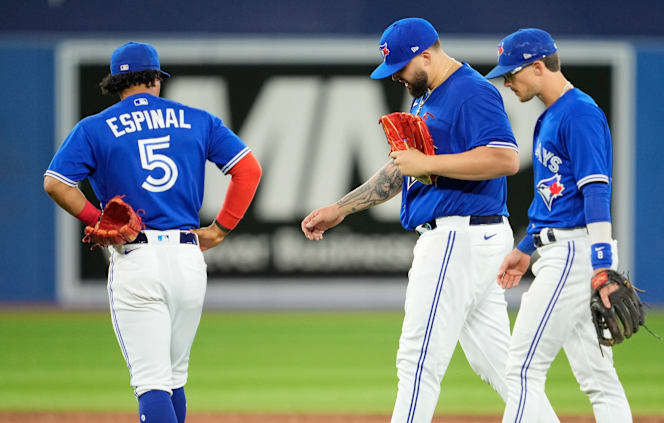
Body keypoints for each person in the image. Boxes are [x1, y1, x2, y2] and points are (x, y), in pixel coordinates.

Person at [301, 18, 558, 423]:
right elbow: (404, 169)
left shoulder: (470, 91)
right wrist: (342, 208)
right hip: (470, 238)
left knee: (418, 361)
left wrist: (428, 162)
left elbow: (506, 158)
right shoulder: (427, 96)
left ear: (426, 55)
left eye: (401, 68)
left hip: (459, 236)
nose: (397, 78)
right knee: (501, 368)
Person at [43, 41, 262, 423]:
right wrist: (221, 229)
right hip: (188, 258)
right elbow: (248, 170)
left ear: (117, 83)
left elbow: (56, 183)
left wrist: (100, 219)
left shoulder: (94, 128)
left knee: (151, 384)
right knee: (174, 379)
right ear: (156, 80)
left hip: (137, 258)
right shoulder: (197, 119)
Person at [486, 28, 632, 422]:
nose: (506, 81)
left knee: (520, 369)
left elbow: (596, 191)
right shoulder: (551, 116)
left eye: (511, 72)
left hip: (574, 253)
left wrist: (602, 263)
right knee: (599, 379)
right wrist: (526, 247)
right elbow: (557, 199)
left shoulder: (579, 112)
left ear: (537, 66)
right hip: (560, 248)